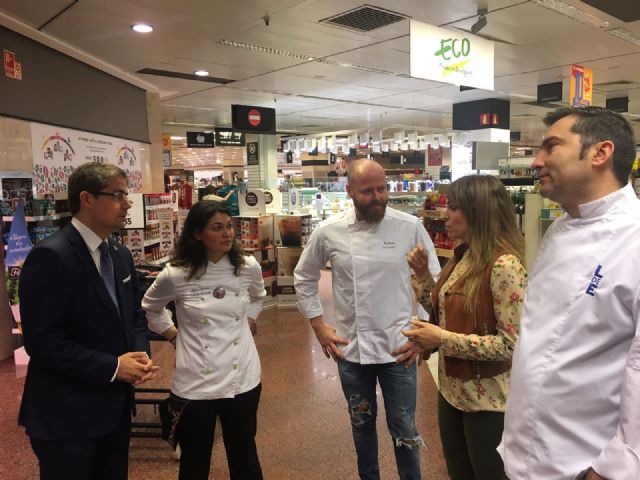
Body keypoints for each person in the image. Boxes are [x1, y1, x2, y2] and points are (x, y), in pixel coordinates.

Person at [499, 107, 640, 480]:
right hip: (525, 450)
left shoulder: (634, 238)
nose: (536, 160)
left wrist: (617, 466)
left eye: (551, 146)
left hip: (587, 465)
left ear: (600, 153)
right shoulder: (560, 230)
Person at [294, 159, 440, 480]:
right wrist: (318, 325)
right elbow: (303, 276)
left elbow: (434, 277)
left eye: (382, 189)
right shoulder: (328, 231)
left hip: (398, 348)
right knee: (361, 424)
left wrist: (424, 330)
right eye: (368, 191)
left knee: (404, 428)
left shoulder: (409, 226)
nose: (378, 197)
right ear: (348, 191)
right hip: (351, 350)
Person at [18, 162, 156, 480]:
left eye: (127, 194)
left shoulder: (119, 255)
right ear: (87, 199)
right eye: (118, 195)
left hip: (114, 411)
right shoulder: (51, 257)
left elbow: (134, 315)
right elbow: (43, 342)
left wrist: (139, 354)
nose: (128, 203)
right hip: (67, 417)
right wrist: (113, 367)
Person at [403, 174, 527, 480]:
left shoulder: (504, 265)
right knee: (458, 471)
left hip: (489, 401)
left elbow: (512, 345)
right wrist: (421, 277)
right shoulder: (463, 256)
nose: (446, 214)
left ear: (478, 211)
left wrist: (441, 338)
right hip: (452, 391)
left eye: (454, 207)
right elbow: (442, 313)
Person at [142, 201, 266, 480]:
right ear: (197, 234)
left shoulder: (247, 266)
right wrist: (172, 335)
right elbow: (151, 307)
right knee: (194, 461)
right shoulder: (175, 273)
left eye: (229, 227)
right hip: (195, 381)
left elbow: (258, 296)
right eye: (217, 228)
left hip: (243, 378)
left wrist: (249, 320)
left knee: (245, 456)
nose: (228, 234)